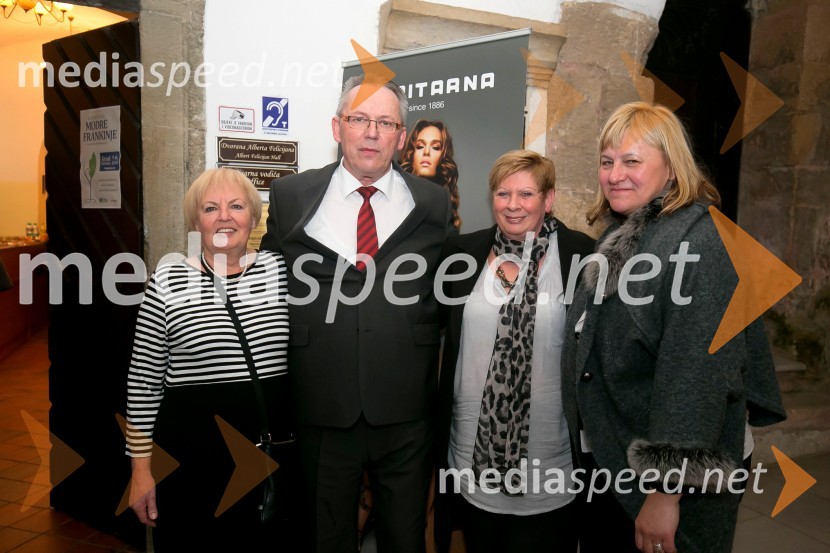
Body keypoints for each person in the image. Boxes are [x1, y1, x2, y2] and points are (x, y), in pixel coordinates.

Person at [560, 102, 787, 553]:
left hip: (672, 477)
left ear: (671, 169)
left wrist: (665, 493)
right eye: (607, 162)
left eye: (632, 161)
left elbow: (694, 375)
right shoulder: (625, 230)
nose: (615, 174)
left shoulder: (698, 242)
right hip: (616, 453)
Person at [260, 74, 451, 553]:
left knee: (405, 539)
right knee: (326, 539)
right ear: (336, 127)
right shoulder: (291, 196)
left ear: (401, 137)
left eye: (385, 122)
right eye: (359, 119)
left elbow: (447, 285)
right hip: (323, 403)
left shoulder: (432, 202)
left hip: (406, 407)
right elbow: (265, 279)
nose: (371, 132)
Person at [433, 150, 595, 553]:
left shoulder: (582, 255)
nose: (513, 205)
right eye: (503, 193)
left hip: (551, 458)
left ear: (549, 198)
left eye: (526, 194)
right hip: (471, 452)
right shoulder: (461, 254)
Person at [126, 168, 292, 550]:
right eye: (210, 207)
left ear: (253, 216)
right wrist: (140, 471)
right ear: (195, 220)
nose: (224, 216)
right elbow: (144, 383)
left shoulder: (280, 272)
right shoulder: (167, 281)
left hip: (268, 459)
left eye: (236, 206)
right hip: (191, 464)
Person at [400, 119, 461, 231]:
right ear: (412, 154)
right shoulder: (396, 199)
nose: (426, 152)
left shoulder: (445, 210)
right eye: (420, 146)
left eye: (435, 147)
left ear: (443, 157)